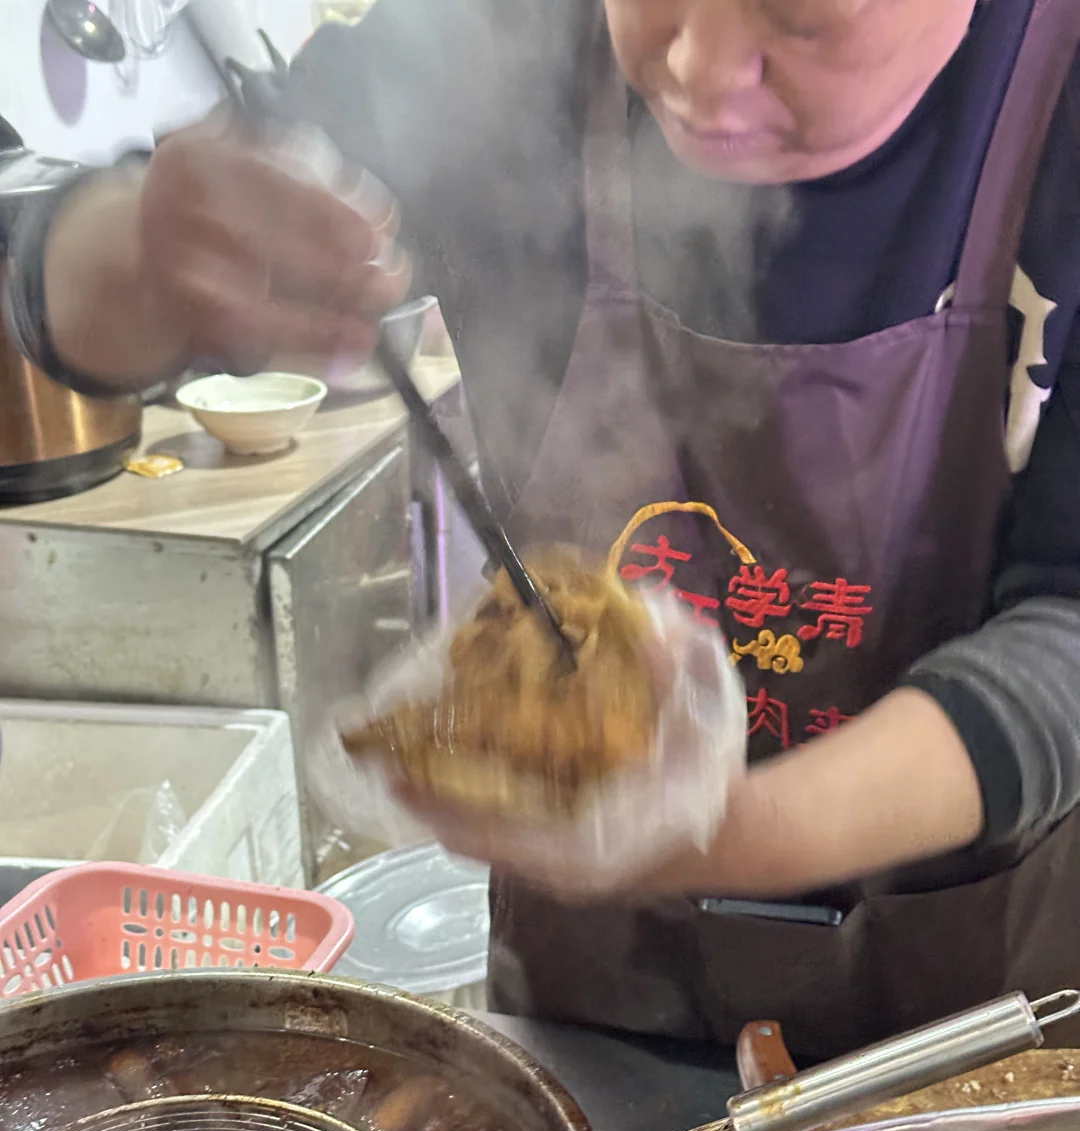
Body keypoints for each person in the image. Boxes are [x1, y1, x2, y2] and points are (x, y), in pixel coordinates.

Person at [6, 0, 1080, 1059]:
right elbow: (62, 284)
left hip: (957, 1013)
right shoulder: (510, 41)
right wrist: (140, 254)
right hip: (597, 1007)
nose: (699, 72)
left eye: (799, 17)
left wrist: (731, 833)